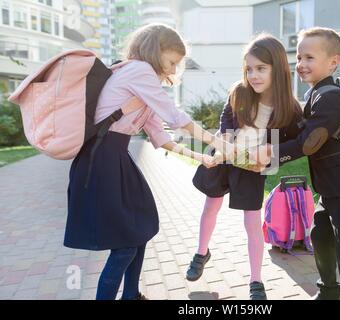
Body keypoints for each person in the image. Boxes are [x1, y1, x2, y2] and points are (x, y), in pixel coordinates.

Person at [64, 23, 232, 300]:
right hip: (102, 159)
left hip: (116, 157)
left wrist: (201, 157)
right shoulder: (139, 71)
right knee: (125, 245)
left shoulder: (140, 81)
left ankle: (131, 295)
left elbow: (159, 135)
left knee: (140, 229)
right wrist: (220, 143)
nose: (174, 70)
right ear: (156, 50)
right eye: (172, 61)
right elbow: (175, 117)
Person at [251, 27, 340, 300]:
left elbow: (310, 141)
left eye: (309, 57)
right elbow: (298, 132)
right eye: (298, 58)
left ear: (333, 61)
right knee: (320, 234)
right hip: (333, 186)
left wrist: (271, 155)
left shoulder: (329, 97)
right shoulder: (315, 95)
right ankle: (328, 292)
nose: (301, 64)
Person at [187, 33, 303, 300]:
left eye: (261, 68)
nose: (253, 75)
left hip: (252, 168)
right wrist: (225, 136)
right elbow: (227, 116)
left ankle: (255, 280)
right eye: (249, 68)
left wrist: (272, 156)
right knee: (210, 206)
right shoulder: (239, 91)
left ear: (278, 68)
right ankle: (201, 253)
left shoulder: (290, 108)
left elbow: (298, 143)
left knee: (252, 222)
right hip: (225, 159)